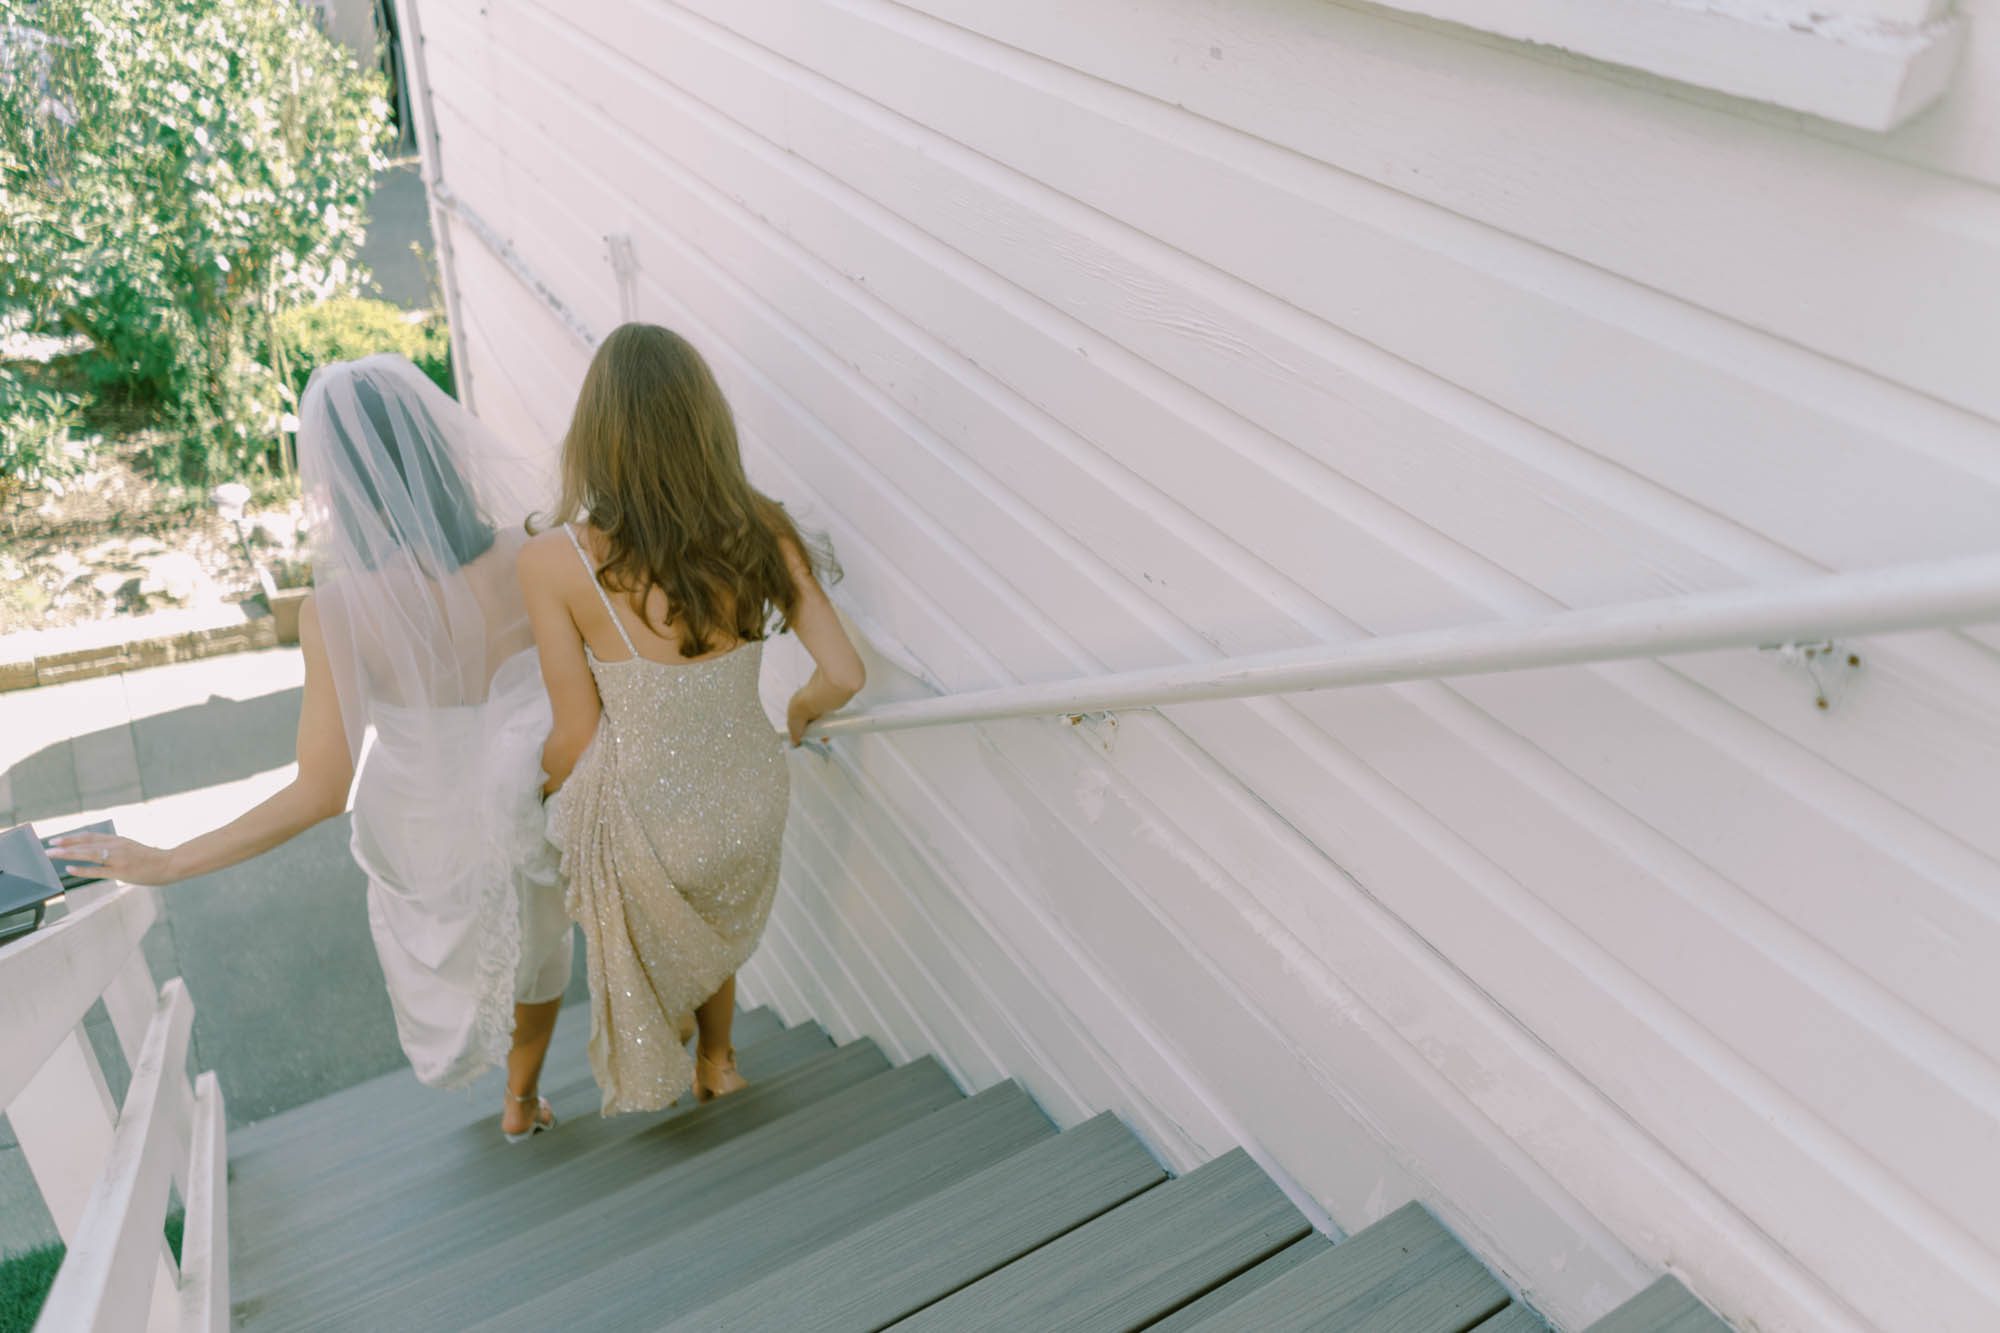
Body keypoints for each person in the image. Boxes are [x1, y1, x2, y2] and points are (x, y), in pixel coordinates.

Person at [54, 355, 575, 1141]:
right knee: (538, 945)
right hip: (529, 794)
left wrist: (168, 860)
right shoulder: (533, 550)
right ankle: (523, 1099)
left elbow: (321, 790)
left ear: (343, 483)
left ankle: (513, 1096)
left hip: (427, 830)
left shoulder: (339, 611)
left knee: (472, 962)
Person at [520, 322, 862, 1114]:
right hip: (750, 803)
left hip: (653, 816)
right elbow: (844, 673)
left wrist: (538, 796)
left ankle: (673, 1050)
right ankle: (719, 1060)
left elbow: (573, 737)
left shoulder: (554, 563)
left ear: (596, 433)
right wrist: (801, 710)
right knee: (702, 910)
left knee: (636, 876)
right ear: (705, 421)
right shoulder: (761, 527)